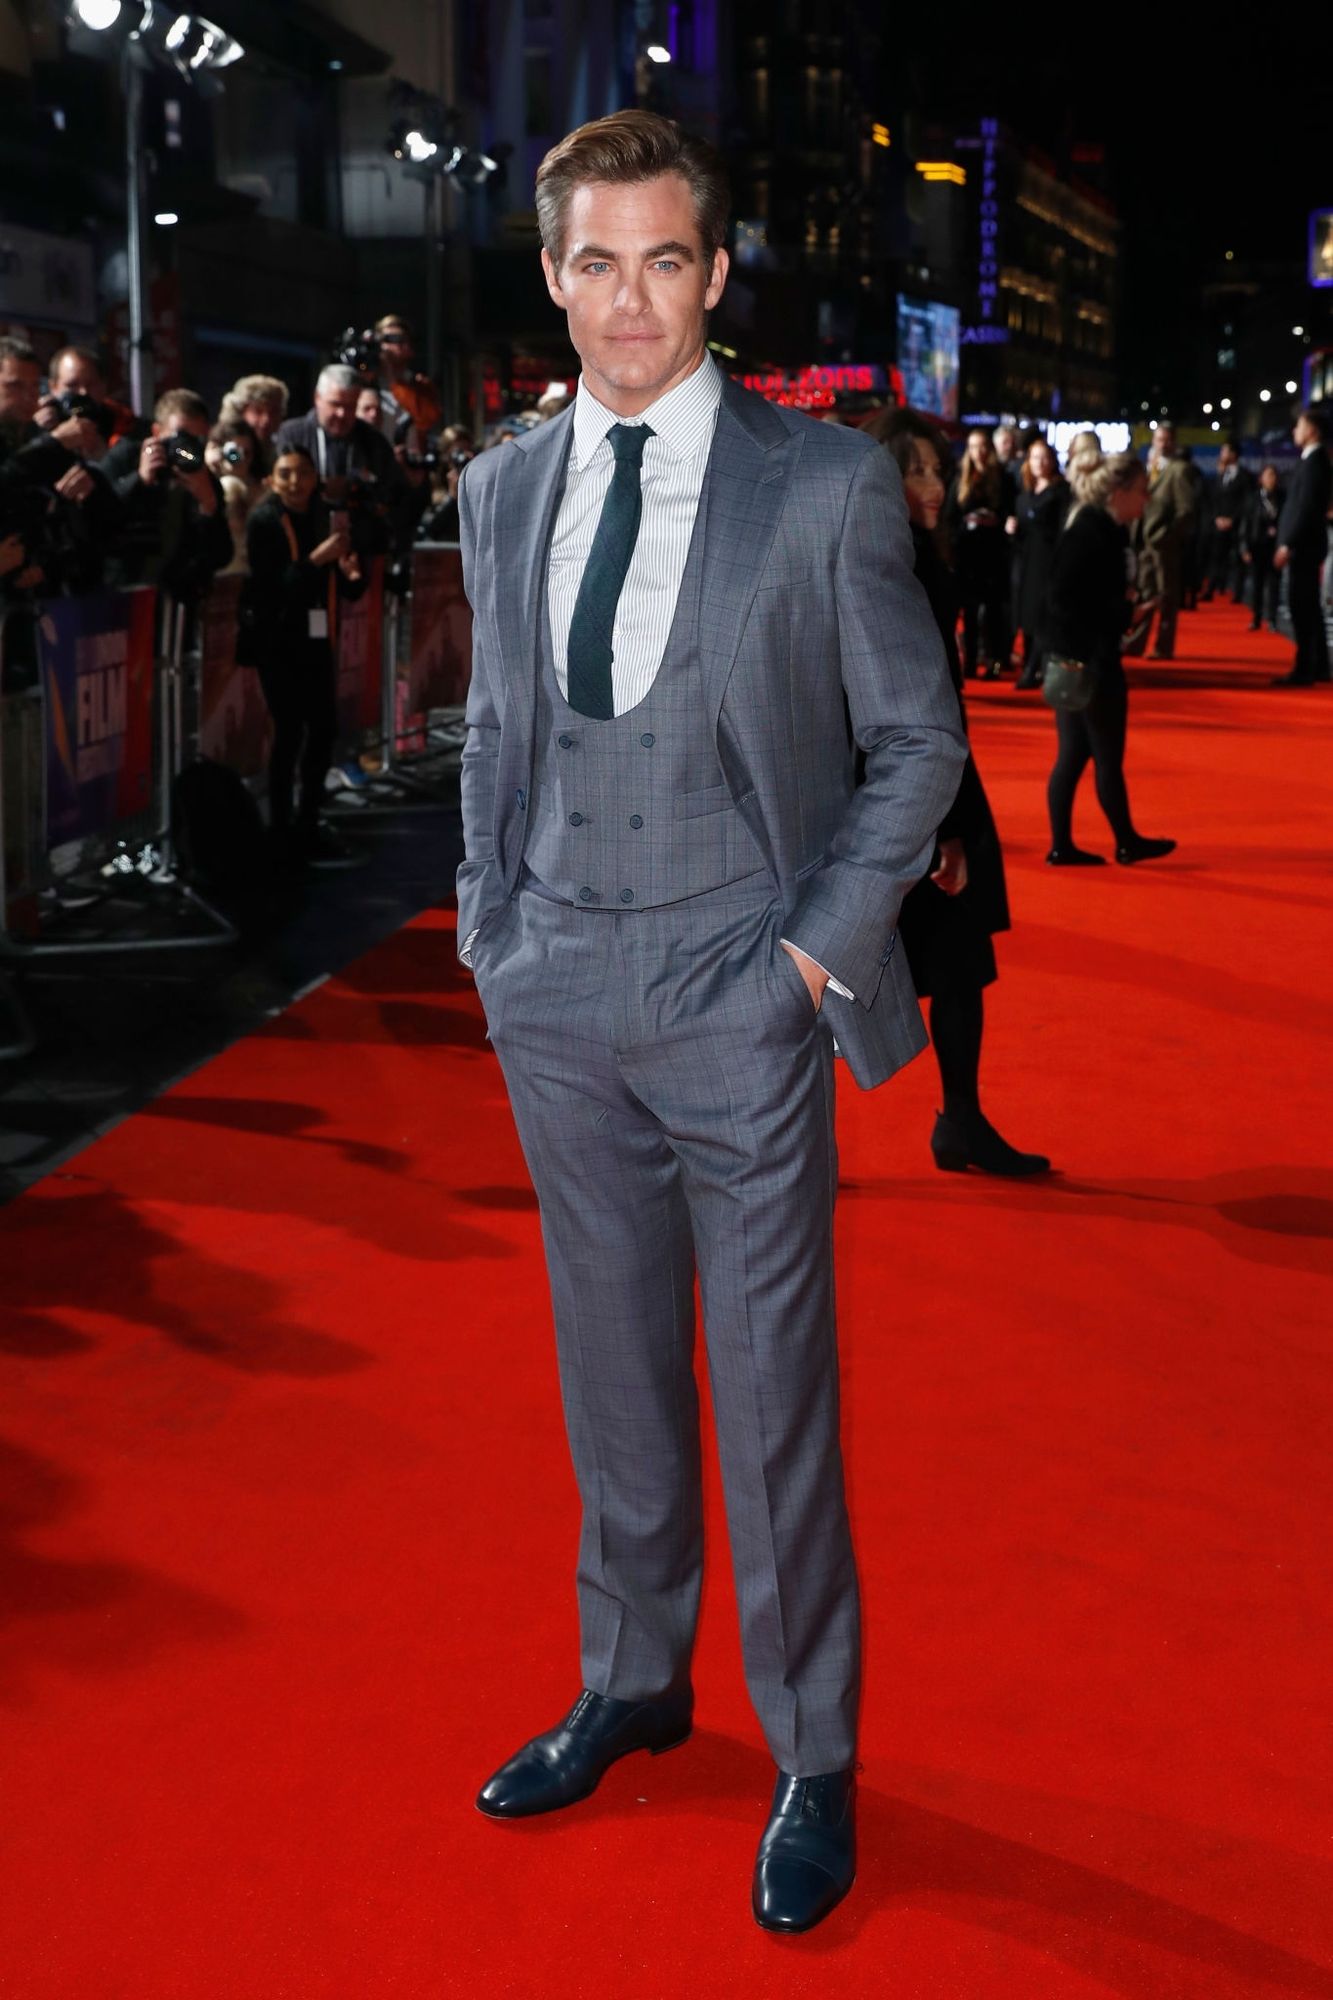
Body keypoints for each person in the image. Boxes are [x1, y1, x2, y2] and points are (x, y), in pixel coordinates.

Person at [458, 109, 966, 1936]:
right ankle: (633, 1681)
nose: (627, 303)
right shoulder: (500, 488)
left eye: (661, 261)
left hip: (734, 992)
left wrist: (807, 962)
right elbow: (495, 729)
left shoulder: (816, 485)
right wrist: (488, 933)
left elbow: (917, 742)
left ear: (716, 274)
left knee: (770, 1400)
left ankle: (811, 1750)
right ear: (551, 275)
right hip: (554, 990)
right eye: (594, 263)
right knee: (611, 1375)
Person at [870, 409, 1048, 1177]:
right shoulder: (890, 562)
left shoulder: (905, 552)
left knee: (958, 968)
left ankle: (961, 1121)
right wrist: (942, 825)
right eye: (914, 470)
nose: (934, 485)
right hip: (908, 789)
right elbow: (909, 699)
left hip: (920, 780)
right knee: (862, 974)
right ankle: (953, 1123)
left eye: (937, 469)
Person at [1044, 452, 1176, 866]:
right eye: (1141, 491)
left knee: (1074, 756)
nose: (1146, 499)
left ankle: (1067, 844)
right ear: (1118, 493)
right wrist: (1123, 613)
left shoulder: (1099, 528)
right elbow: (1065, 600)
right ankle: (1124, 841)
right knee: (1102, 756)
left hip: (1080, 657)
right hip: (1092, 661)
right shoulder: (1091, 531)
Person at [238, 444, 365, 860]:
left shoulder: (325, 516)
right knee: (289, 732)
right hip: (276, 642)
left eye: (303, 473)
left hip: (316, 639)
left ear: (316, 477)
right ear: (271, 479)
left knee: (324, 730)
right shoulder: (264, 520)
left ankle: (308, 820)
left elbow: (347, 586)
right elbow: (274, 588)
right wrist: (316, 559)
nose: (295, 482)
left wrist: (351, 574)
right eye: (285, 473)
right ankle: (280, 827)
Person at [104, 388, 232, 603]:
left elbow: (221, 556)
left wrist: (208, 505)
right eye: (180, 437)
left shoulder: (204, 480)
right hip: (125, 594)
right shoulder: (127, 458)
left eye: (196, 440)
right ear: (157, 432)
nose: (186, 450)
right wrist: (139, 480)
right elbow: (100, 516)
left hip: (179, 599)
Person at [1271, 406, 1331, 687]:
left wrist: (1287, 544)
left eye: (1299, 426)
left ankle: (1305, 668)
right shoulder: (1311, 461)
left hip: (1304, 545)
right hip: (1305, 544)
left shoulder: (1315, 462)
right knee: (1309, 607)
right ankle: (1318, 666)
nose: (1295, 430)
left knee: (1302, 607)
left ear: (1312, 431)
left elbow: (1305, 509)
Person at [945, 428, 1009, 677]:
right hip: (968, 552)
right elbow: (951, 514)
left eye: (982, 446)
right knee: (969, 611)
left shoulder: (1001, 477)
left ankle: (993, 661)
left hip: (993, 552)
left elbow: (1008, 510)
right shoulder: (961, 477)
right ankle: (970, 662)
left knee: (992, 611)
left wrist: (997, 520)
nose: (978, 452)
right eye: (973, 446)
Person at [1010, 437, 1068, 689]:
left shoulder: (1061, 492)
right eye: (1035, 457)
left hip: (1048, 560)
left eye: (1044, 457)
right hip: (1026, 561)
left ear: (1053, 461)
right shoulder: (1024, 494)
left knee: (1042, 614)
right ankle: (1030, 664)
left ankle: (1033, 668)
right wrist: (1012, 528)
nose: (1040, 462)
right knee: (1028, 614)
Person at [1136, 421, 1195, 659]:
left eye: (1168, 440)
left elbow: (1186, 510)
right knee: (1145, 592)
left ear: (1174, 442)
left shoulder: (1179, 470)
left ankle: (1164, 645)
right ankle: (1136, 642)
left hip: (1164, 544)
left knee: (1167, 596)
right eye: (1159, 439)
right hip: (1143, 540)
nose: (1163, 444)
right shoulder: (1149, 467)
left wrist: (1168, 536)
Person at [205, 419, 262, 576]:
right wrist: (209, 467)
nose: (239, 458)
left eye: (247, 453)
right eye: (234, 452)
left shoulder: (261, 489)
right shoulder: (207, 482)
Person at [1200, 442, 1252, 604]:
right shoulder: (1220, 475)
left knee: (1238, 560)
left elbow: (1246, 503)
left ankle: (1237, 593)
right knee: (1216, 557)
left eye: (1225, 451)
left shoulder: (1245, 477)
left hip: (1237, 525)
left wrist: (1233, 519)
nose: (1221, 454)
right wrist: (1217, 517)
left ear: (1234, 454)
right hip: (1219, 524)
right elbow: (1213, 499)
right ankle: (1211, 589)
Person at [1241, 463, 1284, 632]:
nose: (1271, 479)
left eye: (1274, 475)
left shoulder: (1282, 498)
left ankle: (1272, 619)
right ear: (1261, 479)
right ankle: (1256, 618)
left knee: (1274, 584)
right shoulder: (1253, 499)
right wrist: (1244, 547)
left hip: (1275, 547)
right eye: (1268, 475)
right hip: (1257, 545)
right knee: (1257, 584)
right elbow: (1245, 523)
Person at [219, 374, 289, 472]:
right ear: (240, 410)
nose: (267, 419)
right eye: (258, 411)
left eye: (274, 412)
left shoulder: (281, 451)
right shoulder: (223, 444)